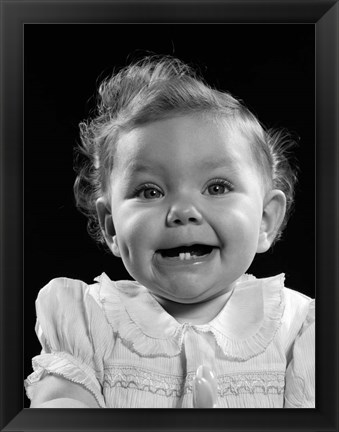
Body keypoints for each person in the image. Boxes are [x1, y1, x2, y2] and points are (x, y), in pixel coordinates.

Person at [25, 55, 315, 408]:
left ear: (266, 220)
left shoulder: (299, 330)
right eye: (150, 191)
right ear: (112, 226)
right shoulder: (87, 324)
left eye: (217, 187)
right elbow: (61, 407)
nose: (182, 212)